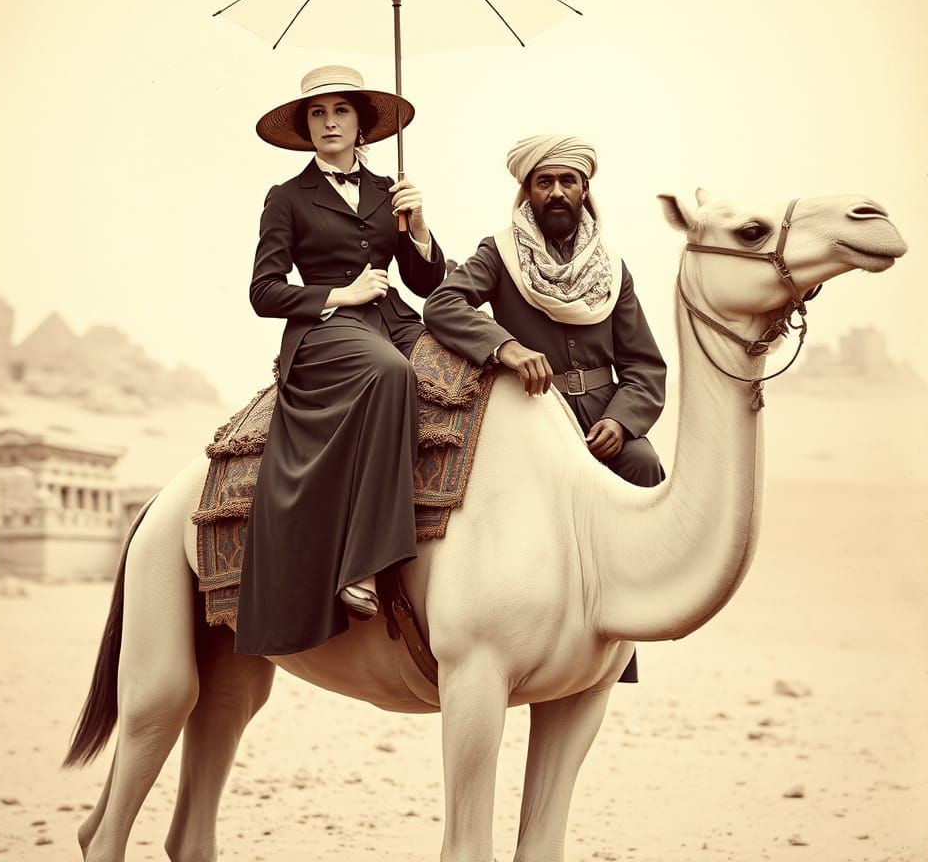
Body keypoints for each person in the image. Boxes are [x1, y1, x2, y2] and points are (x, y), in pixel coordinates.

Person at [234, 65, 446, 657]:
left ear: (361, 123)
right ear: (306, 126)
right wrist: (340, 294)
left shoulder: (389, 192)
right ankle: (365, 562)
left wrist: (419, 228)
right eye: (318, 113)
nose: (330, 122)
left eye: (341, 110)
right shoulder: (286, 197)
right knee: (392, 372)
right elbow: (263, 292)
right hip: (325, 330)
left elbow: (426, 281)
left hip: (394, 319)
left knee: (472, 371)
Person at [424, 133, 666, 489]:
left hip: (604, 416)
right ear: (527, 190)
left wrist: (620, 421)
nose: (556, 192)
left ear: (584, 189)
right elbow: (443, 303)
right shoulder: (500, 252)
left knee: (643, 463)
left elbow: (644, 367)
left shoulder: (612, 268)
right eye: (544, 182)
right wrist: (506, 347)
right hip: (530, 412)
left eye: (567, 181)